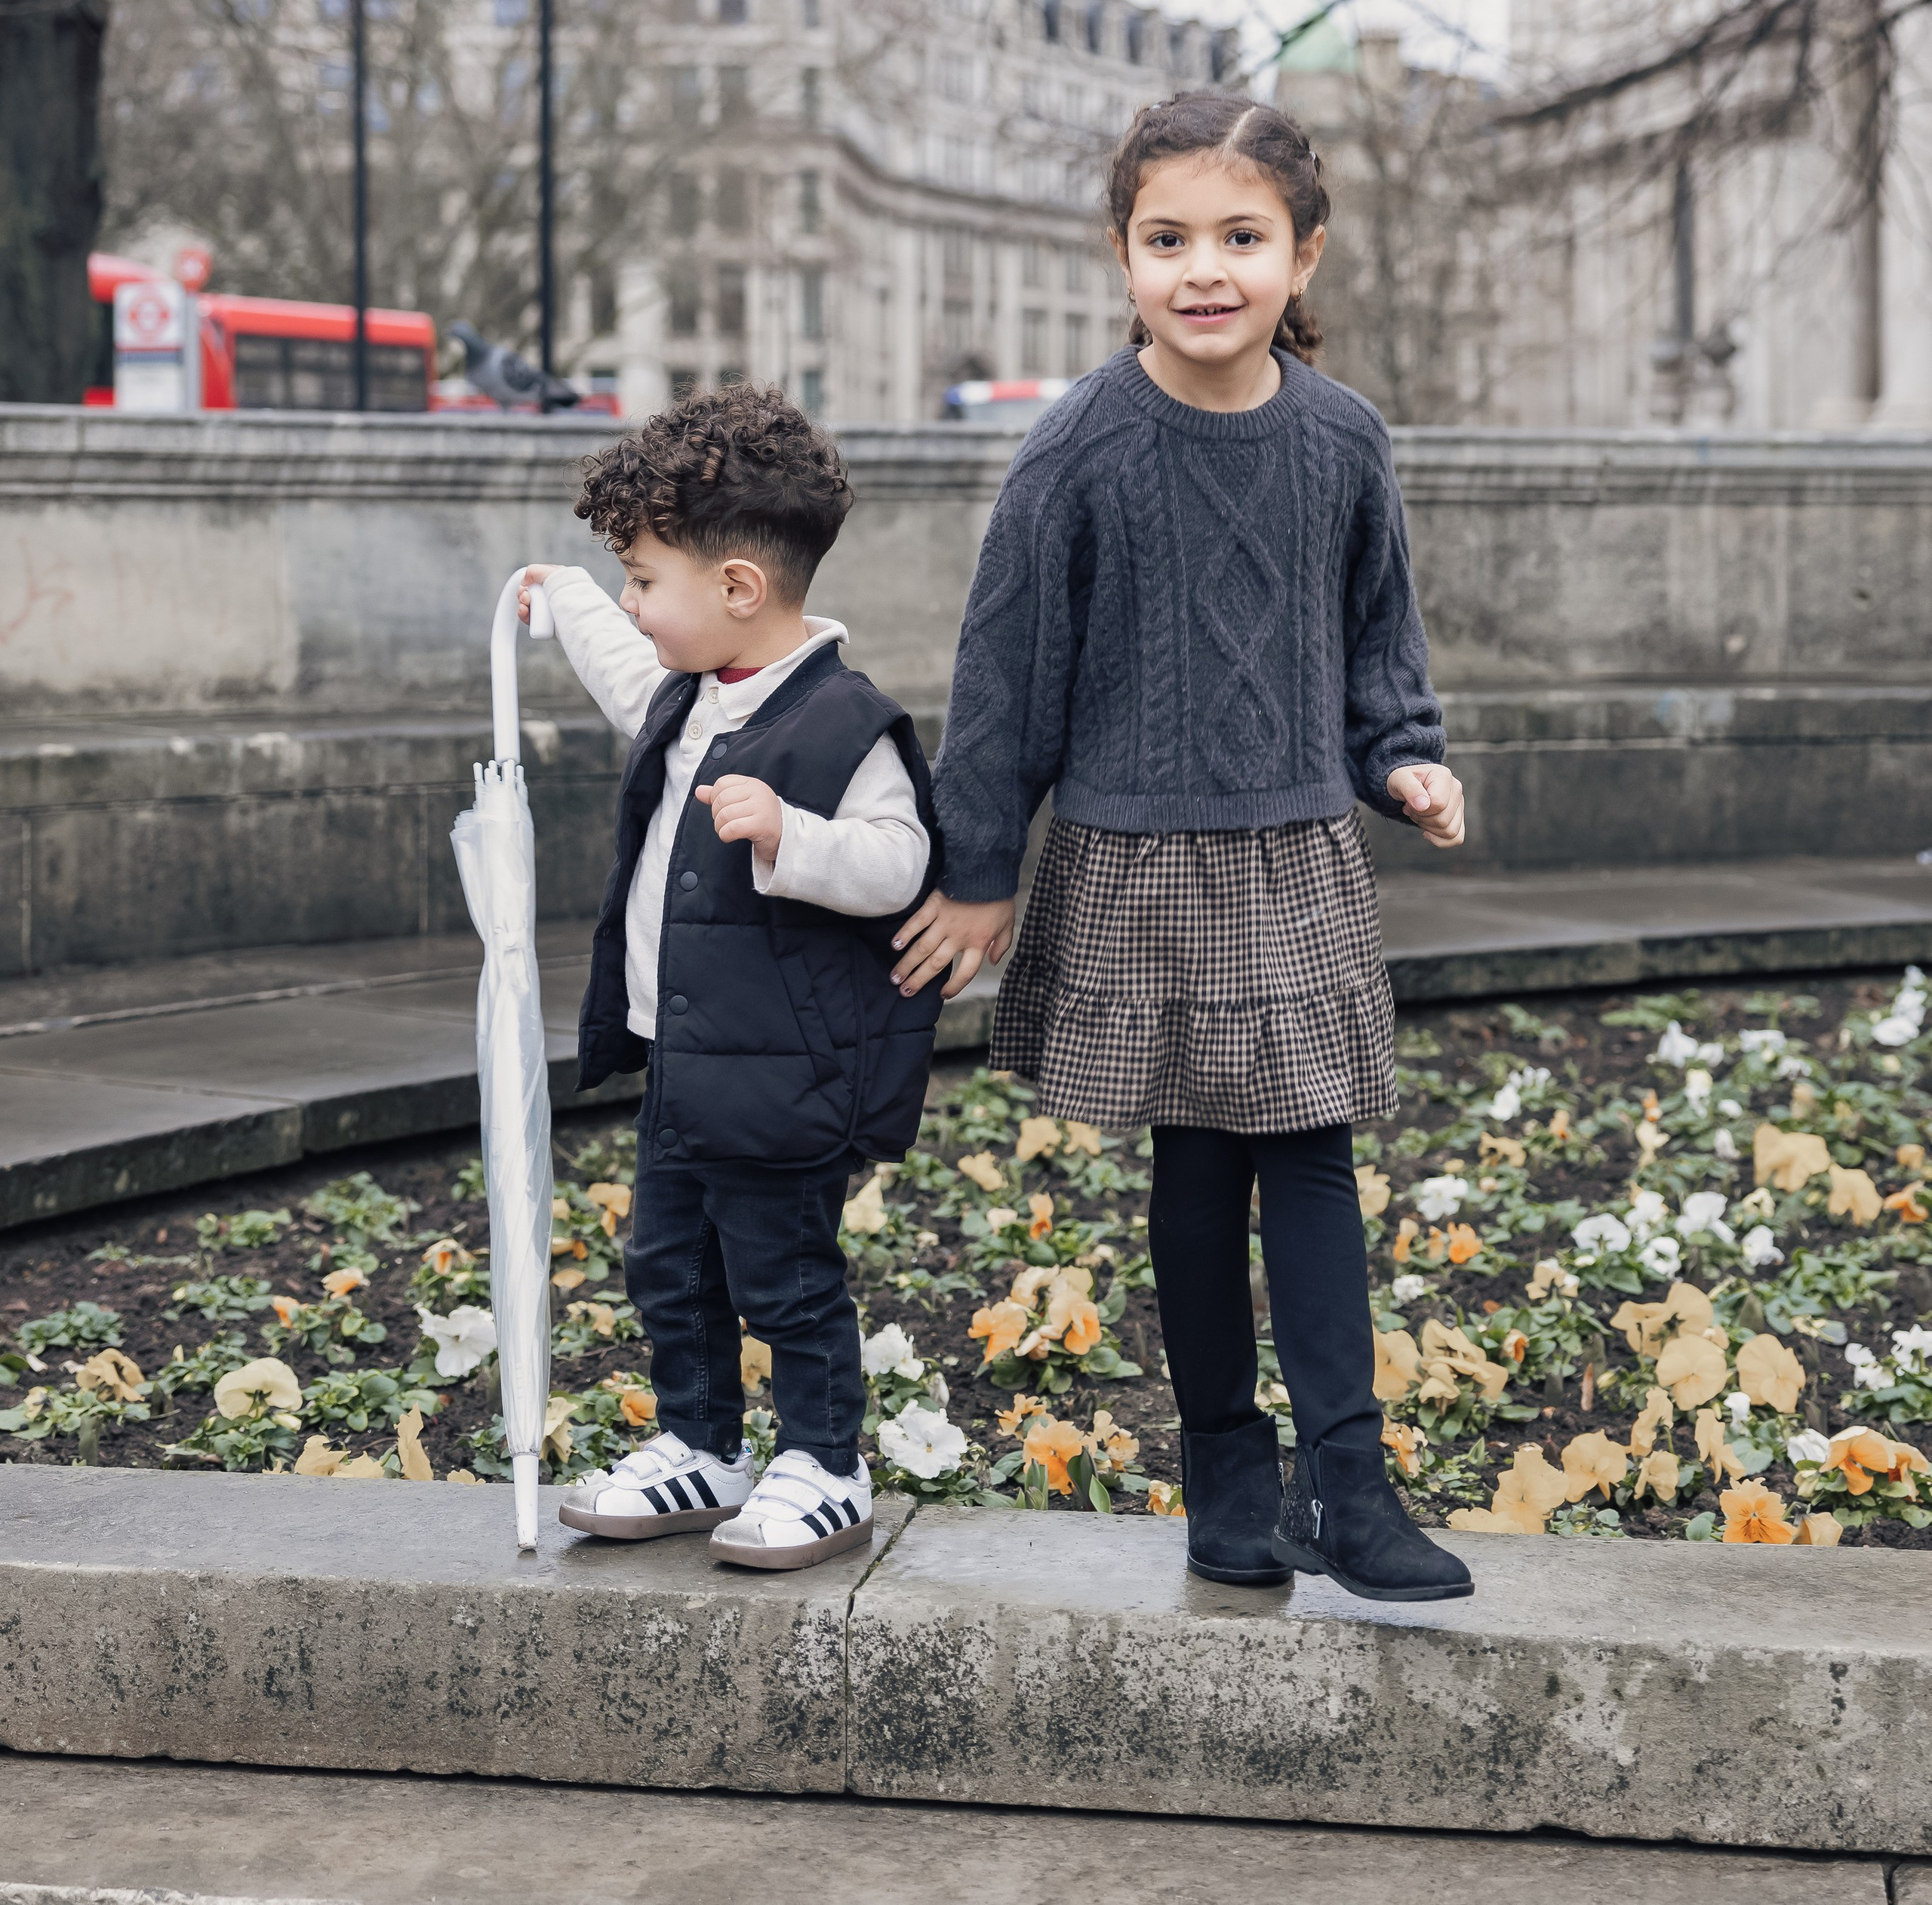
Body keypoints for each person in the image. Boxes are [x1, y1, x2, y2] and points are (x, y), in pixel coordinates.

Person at [891, 91, 1473, 1603]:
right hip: (1141, 865)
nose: (1201, 270)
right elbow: (1001, 671)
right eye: (1167, 240)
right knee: (1197, 1175)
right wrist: (975, 869)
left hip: (1289, 857)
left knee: (1312, 1159)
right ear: (1120, 254)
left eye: (1238, 238)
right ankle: (1226, 1479)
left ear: (1302, 254)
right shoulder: (1077, 448)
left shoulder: (1342, 439)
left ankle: (1349, 1481)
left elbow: (1372, 635)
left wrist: (1401, 757)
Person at [518, 383, 943, 1569]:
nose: (641, 606)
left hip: (788, 1076)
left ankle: (825, 1464)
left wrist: (787, 837)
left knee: (788, 1276)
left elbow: (900, 861)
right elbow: (622, 667)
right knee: (669, 1262)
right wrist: (573, 597)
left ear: (739, 590)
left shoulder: (844, 723)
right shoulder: (689, 695)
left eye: (649, 580)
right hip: (682, 1060)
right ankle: (701, 1444)